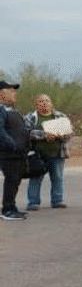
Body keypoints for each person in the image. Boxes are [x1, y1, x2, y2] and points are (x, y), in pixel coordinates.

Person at [25, 94, 71, 210]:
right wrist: (44, 135)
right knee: (35, 178)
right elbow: (26, 133)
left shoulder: (60, 116)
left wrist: (57, 135)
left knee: (57, 178)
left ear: (51, 103)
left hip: (57, 154)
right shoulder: (30, 118)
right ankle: (33, 202)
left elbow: (69, 133)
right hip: (37, 155)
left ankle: (57, 201)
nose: (44, 103)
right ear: (36, 105)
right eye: (41, 101)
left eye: (47, 101)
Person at [0, 80, 30, 221]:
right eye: (10, 90)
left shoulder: (12, 110)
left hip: (18, 153)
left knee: (15, 179)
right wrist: (13, 145)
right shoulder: (1, 110)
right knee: (11, 179)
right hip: (8, 153)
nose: (14, 93)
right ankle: (7, 210)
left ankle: (12, 206)